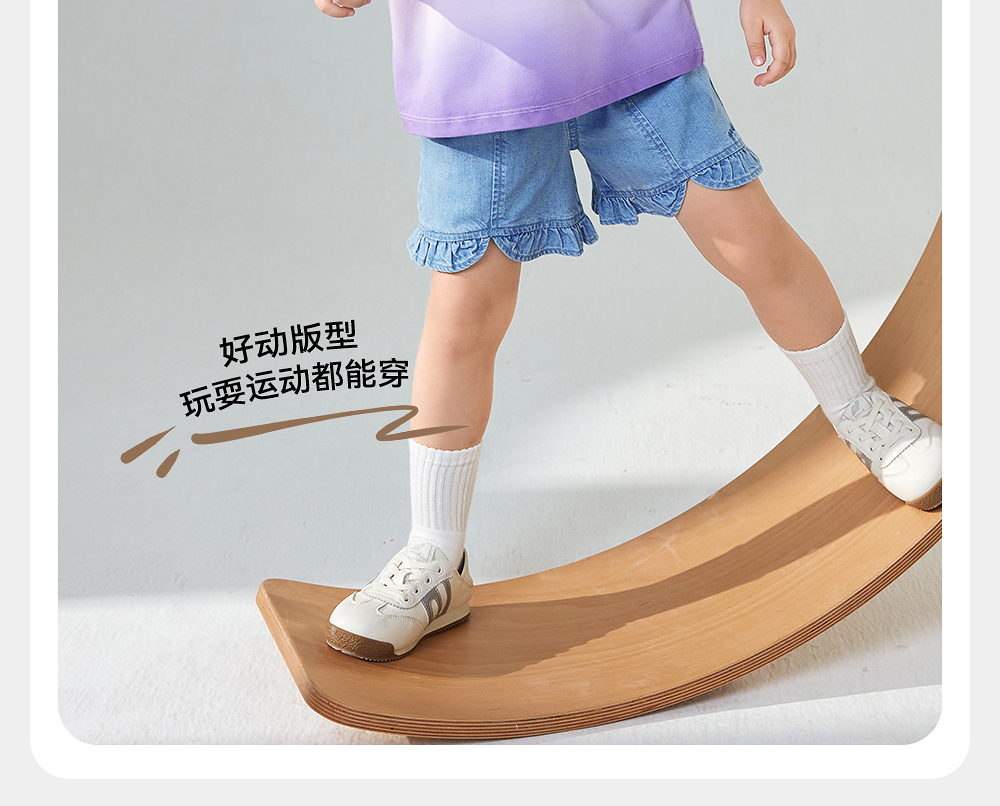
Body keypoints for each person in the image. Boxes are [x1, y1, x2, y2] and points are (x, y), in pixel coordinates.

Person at [316, 0, 943, 662]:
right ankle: (435, 551)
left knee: (750, 238)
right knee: (465, 312)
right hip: (477, 63)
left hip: (627, 35)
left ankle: (863, 411)